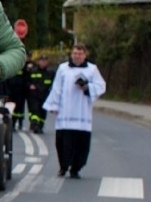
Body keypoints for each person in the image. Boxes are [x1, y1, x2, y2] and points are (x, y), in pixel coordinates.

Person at [44, 42, 107, 178]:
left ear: (85, 55)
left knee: (81, 145)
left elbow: (101, 85)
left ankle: (76, 168)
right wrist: (54, 105)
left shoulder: (92, 69)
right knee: (63, 143)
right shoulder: (63, 68)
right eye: (75, 53)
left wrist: (87, 87)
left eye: (80, 54)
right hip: (65, 113)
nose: (77, 56)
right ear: (71, 54)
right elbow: (56, 87)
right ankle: (63, 166)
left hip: (82, 113)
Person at [21, 54, 55, 134]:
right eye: (42, 61)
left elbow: (54, 84)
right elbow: (25, 81)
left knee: (43, 112)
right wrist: (30, 85)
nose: (43, 63)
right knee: (34, 110)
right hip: (34, 95)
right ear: (39, 62)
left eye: (45, 61)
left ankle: (40, 126)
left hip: (45, 95)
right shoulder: (32, 71)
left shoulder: (50, 72)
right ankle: (34, 125)